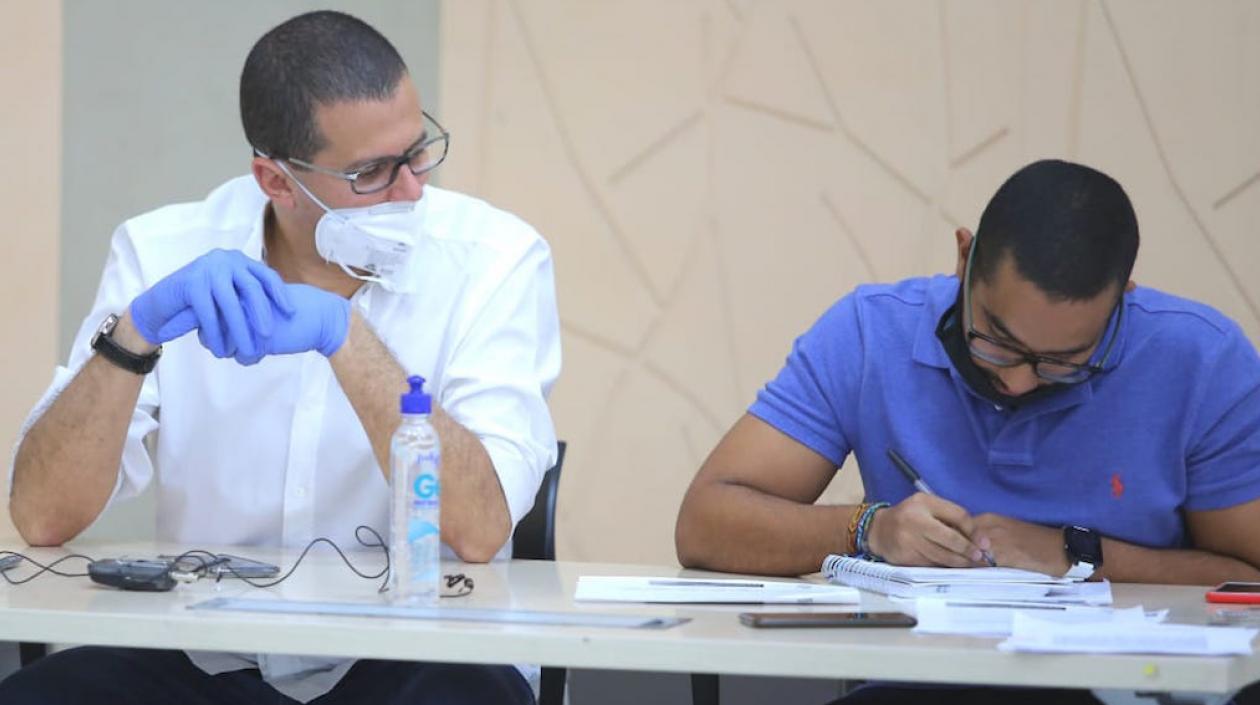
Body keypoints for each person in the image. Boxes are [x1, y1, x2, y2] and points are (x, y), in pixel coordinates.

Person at [2, 10, 557, 705]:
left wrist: (346, 336)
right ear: (276, 180)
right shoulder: (161, 248)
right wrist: (133, 332)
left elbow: (480, 530)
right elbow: (42, 517)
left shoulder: (495, 260)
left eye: (417, 152)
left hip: (417, 656)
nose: (413, 188)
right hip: (210, 654)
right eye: (373, 171)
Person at [675, 159, 1260, 704]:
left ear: (1122, 301)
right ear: (964, 258)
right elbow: (706, 522)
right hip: (918, 687)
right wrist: (869, 527)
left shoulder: (1201, 361)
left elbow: (1249, 577)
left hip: (1124, 690)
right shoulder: (871, 332)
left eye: (1065, 360)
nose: (1020, 383)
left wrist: (1076, 554)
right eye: (996, 340)